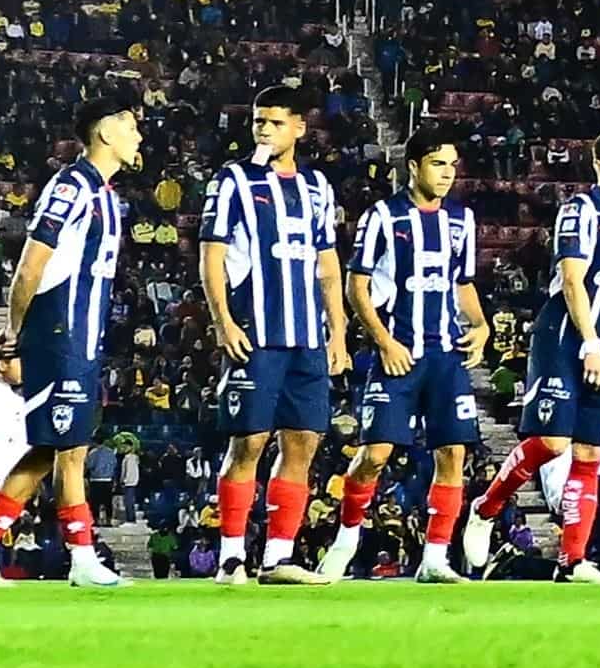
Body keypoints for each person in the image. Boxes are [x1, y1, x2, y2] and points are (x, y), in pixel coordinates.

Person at [0, 93, 137, 589]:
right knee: (69, 449)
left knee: (51, 448)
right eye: (130, 126)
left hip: (82, 335)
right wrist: (15, 327)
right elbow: (32, 262)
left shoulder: (106, 196)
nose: (138, 136)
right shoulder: (72, 187)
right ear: (105, 133)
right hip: (58, 333)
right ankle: (82, 557)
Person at [468, 132, 600, 584]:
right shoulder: (580, 211)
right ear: (598, 163)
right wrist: (590, 344)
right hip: (565, 339)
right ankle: (486, 508)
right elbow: (573, 282)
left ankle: (573, 562)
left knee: (590, 453)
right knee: (553, 443)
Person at [199, 83, 353, 585]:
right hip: (256, 332)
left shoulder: (317, 187)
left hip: (307, 336)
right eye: (259, 122)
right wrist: (223, 320)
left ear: (299, 128)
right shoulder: (233, 180)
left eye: (275, 122)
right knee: (248, 443)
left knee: (304, 442)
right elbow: (213, 255)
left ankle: (279, 557)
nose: (264, 130)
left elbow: (328, 264)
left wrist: (338, 333)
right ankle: (230, 557)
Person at [327, 136, 489, 583]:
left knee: (453, 453)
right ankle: (345, 540)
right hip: (398, 352)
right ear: (414, 166)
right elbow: (356, 286)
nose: (447, 172)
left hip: (445, 356)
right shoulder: (385, 215)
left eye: (452, 164)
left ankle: (435, 558)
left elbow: (464, 283)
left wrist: (481, 325)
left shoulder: (462, 220)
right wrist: (383, 342)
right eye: (438, 163)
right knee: (375, 454)